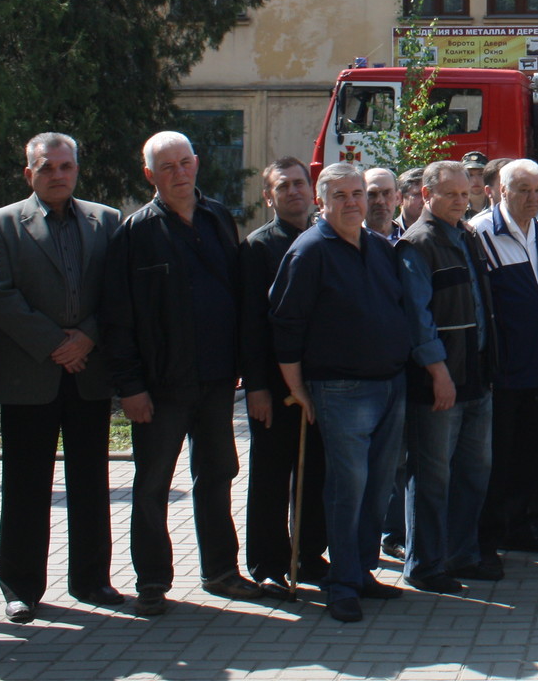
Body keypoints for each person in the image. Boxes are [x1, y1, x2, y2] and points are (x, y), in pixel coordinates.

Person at [102, 131, 265, 616]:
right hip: (160, 387)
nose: (179, 174)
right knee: (152, 486)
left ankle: (220, 571)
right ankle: (152, 581)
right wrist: (130, 386)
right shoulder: (135, 232)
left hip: (216, 381)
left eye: (184, 163)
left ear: (196, 164)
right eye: (166, 167)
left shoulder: (218, 218)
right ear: (149, 175)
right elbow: (119, 317)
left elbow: (236, 297)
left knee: (217, 475)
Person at [0, 132, 125, 622]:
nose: (58, 175)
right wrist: (57, 346)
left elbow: (119, 293)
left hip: (89, 373)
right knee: (25, 486)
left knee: (91, 481)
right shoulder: (0, 224)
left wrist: (86, 337)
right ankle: (20, 587)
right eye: (47, 168)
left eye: (65, 166)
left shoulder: (106, 221)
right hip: (30, 375)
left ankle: (92, 580)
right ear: (29, 174)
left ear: (76, 169)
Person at [268, 163, 420, 623]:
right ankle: (340, 584)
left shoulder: (379, 247)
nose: (354, 202)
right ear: (322, 201)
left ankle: (361, 571)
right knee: (347, 489)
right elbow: (285, 325)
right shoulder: (309, 251)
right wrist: (298, 389)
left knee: (377, 489)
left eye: (359, 193)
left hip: (391, 384)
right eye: (342, 196)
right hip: (340, 390)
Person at [396, 161, 500, 591]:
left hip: (475, 376)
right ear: (426, 195)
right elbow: (416, 319)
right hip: (441, 382)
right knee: (432, 477)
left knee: (474, 472)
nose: (462, 200)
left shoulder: (468, 235)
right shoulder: (417, 244)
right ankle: (424, 565)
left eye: (465, 193)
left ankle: (461, 554)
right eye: (451, 194)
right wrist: (437, 372)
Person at [239, 157, 328, 593]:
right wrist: (256, 386)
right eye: (284, 186)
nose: (294, 191)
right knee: (273, 475)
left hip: (321, 379)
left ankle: (308, 556)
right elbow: (252, 325)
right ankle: (268, 562)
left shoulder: (324, 237)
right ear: (268, 195)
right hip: (274, 385)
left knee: (314, 473)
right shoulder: (259, 247)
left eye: (300, 183)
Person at [470, 159, 538, 556]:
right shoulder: (480, 233)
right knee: (497, 458)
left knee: (531, 452)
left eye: (536, 190)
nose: (531, 197)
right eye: (522, 190)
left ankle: (521, 525)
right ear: (501, 191)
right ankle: (489, 536)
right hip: (502, 368)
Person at [364, 167, 402, 241]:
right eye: (371, 194)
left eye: (386, 193)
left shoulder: (412, 242)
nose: (380, 201)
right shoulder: (348, 242)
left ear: (398, 198)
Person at [462, 150, 491, 217]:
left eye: (480, 174)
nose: (475, 180)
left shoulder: (497, 206)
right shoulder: (457, 207)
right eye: (470, 175)